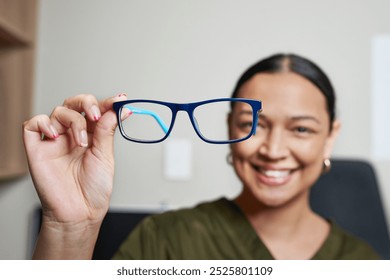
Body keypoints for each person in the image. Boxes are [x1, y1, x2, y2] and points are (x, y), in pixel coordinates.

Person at [23, 53, 379, 260]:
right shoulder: (164, 241)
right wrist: (71, 229)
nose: (272, 150)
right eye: (251, 124)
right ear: (229, 129)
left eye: (301, 129)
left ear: (330, 137)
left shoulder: (362, 261)